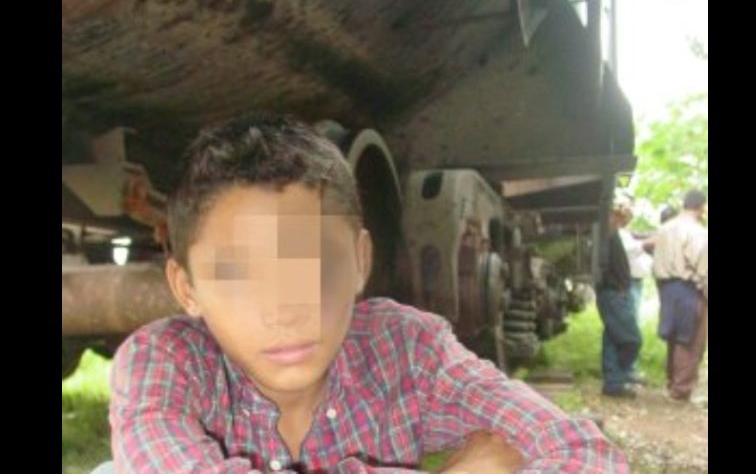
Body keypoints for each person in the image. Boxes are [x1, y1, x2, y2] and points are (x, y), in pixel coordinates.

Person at [105, 114, 628, 473]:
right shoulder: (166, 363)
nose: (285, 309)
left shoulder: (406, 351)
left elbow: (581, 452)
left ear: (359, 261)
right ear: (187, 288)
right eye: (238, 274)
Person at [652, 190, 708, 402]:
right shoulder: (698, 232)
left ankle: (672, 382)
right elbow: (703, 267)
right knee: (691, 340)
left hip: (667, 287)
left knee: (674, 337)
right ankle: (681, 389)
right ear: (702, 206)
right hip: (690, 288)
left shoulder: (664, 228)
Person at [595, 201, 642, 399]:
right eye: (616, 216)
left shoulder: (612, 235)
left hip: (615, 291)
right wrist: (620, 288)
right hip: (614, 292)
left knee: (613, 338)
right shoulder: (605, 236)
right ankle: (619, 375)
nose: (620, 220)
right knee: (631, 340)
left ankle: (614, 383)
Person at [615, 198, 652, 385]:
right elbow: (629, 251)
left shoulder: (625, 233)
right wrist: (648, 242)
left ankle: (625, 369)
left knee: (629, 325)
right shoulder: (618, 234)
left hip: (634, 281)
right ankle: (626, 369)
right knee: (629, 328)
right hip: (628, 282)